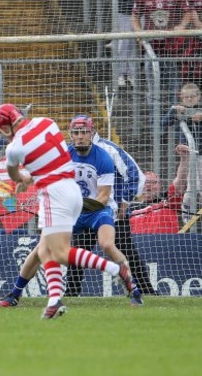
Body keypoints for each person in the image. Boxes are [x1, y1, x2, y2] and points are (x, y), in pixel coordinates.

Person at [0, 104, 137, 319]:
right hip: (72, 193)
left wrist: (23, 179)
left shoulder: (14, 147)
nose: (79, 137)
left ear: (5, 128)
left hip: (56, 196)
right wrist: (34, 176)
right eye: (76, 133)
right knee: (43, 250)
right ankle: (49, 300)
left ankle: (117, 270)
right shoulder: (46, 123)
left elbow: (14, 174)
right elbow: (52, 161)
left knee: (58, 252)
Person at [66, 120, 156, 296]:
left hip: (112, 212)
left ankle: (147, 291)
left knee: (127, 251)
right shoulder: (68, 152)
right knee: (77, 253)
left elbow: (136, 175)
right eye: (76, 132)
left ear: (92, 131)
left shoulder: (109, 149)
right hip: (85, 211)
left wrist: (125, 201)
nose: (80, 136)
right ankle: (71, 294)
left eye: (84, 131)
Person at [162, 83, 202, 232]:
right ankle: (188, 219)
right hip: (188, 155)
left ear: (199, 96)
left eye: (192, 96)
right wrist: (174, 110)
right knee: (191, 188)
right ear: (181, 97)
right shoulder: (178, 109)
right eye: (186, 97)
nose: (189, 99)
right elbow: (164, 122)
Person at [132, 0, 192, 110]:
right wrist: (139, 32)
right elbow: (135, 15)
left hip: (173, 47)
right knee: (152, 86)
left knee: (175, 85)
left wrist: (181, 26)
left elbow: (188, 12)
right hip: (151, 46)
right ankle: (154, 120)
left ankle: (175, 117)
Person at [98, 0, 150, 88]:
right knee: (123, 43)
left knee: (137, 43)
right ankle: (120, 74)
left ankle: (132, 74)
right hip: (124, 10)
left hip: (141, 10)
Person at [130, 144, 190, 233]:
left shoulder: (169, 201)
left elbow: (180, 181)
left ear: (159, 186)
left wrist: (185, 158)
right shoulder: (130, 209)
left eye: (153, 182)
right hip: (139, 245)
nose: (148, 185)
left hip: (166, 245)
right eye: (145, 182)